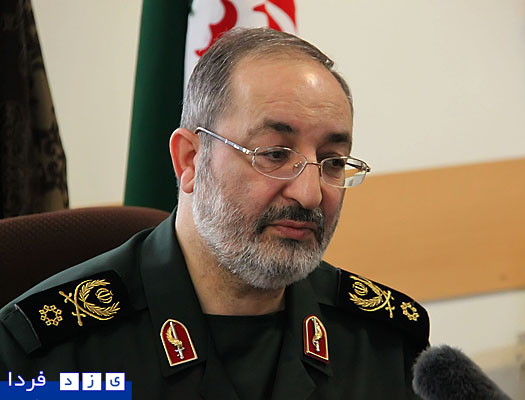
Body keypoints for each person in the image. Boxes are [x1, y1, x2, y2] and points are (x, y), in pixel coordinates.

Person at [0, 28, 429, 399]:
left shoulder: (382, 340)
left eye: (333, 162)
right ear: (190, 160)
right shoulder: (52, 349)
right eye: (274, 154)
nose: (310, 194)